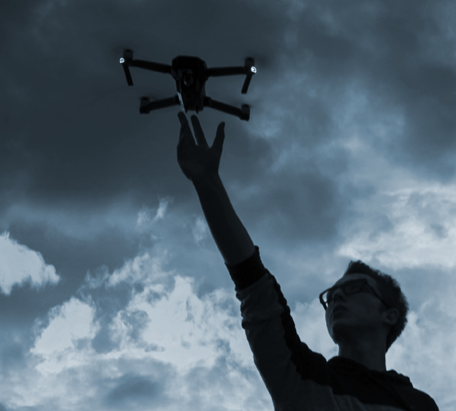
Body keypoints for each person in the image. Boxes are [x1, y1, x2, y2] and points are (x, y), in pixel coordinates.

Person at [177, 112, 439, 411]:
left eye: (354, 289)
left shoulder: (419, 404)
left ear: (389, 316)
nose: (337, 295)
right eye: (331, 294)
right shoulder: (301, 376)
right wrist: (207, 183)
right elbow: (253, 285)